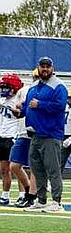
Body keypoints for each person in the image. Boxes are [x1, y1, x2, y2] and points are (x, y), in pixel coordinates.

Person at [18, 56, 68, 213]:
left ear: (52, 68)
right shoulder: (34, 86)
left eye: (48, 66)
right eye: (42, 66)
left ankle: (57, 201)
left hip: (50, 134)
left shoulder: (59, 86)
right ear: (38, 68)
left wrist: (40, 104)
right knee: (37, 169)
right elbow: (27, 108)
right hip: (35, 134)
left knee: (53, 169)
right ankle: (41, 200)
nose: (45, 69)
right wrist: (19, 111)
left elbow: (60, 106)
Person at [9, 69, 38, 208]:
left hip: (36, 132)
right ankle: (28, 190)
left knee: (34, 166)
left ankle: (32, 196)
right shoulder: (25, 90)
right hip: (22, 132)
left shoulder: (47, 91)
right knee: (14, 165)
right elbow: (18, 107)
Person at [0, 74, 23, 205]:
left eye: (6, 87)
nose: (3, 89)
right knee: (3, 170)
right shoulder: (2, 101)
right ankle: (5, 195)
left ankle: (22, 195)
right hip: (2, 136)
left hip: (13, 137)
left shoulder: (18, 100)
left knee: (17, 168)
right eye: (2, 87)